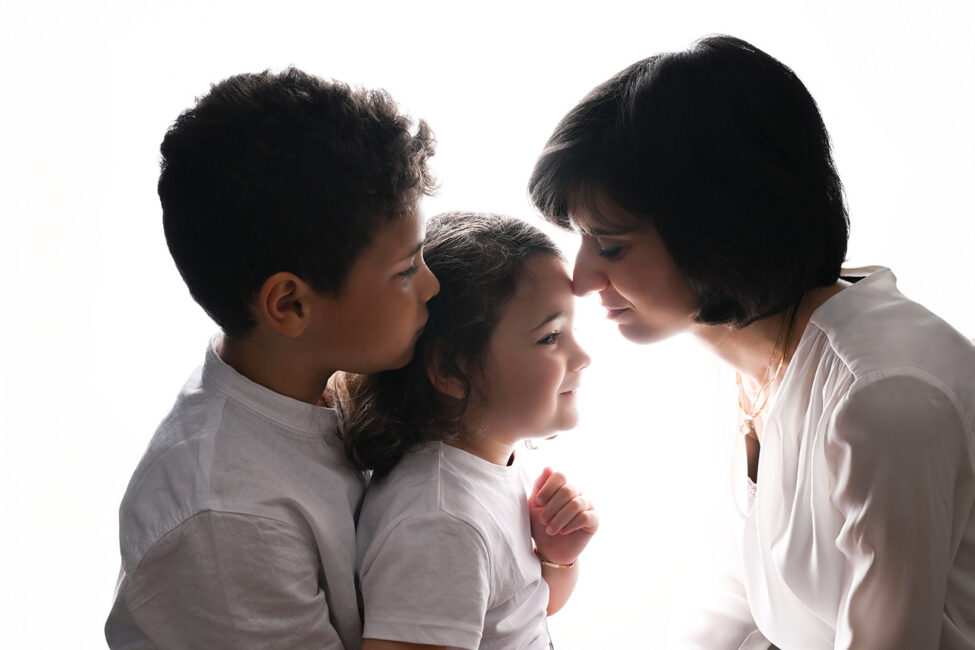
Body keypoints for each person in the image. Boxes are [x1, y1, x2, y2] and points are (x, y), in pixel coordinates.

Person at [529, 34, 975, 650]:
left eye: (611, 246)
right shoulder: (751, 357)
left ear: (719, 227)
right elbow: (749, 591)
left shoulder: (882, 397)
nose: (579, 279)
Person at [104, 68, 440, 649]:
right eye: (406, 269)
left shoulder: (316, 381)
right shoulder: (227, 517)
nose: (432, 286)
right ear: (289, 304)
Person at [336, 212, 597, 650]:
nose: (582, 355)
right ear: (452, 370)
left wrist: (556, 559)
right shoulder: (440, 523)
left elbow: (519, 615)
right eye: (550, 337)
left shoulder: (490, 461)